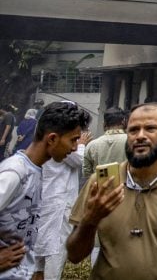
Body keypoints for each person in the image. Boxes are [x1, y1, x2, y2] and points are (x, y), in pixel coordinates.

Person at [65, 102, 157, 280]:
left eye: (150, 128)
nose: (140, 136)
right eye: (133, 130)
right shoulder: (101, 183)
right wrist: (91, 219)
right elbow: (74, 256)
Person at [0, 102, 90, 279]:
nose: (75, 148)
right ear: (52, 139)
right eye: (73, 140)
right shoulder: (15, 172)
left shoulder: (36, 171)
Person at [32, 108, 91, 280]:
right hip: (58, 203)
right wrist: (81, 145)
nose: (74, 143)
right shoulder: (61, 144)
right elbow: (78, 160)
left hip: (50, 201)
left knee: (41, 256)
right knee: (54, 253)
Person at [83, 108, 127, 181]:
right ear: (123, 122)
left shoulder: (91, 145)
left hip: (101, 190)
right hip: (125, 189)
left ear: (104, 124)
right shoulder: (132, 142)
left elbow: (87, 173)